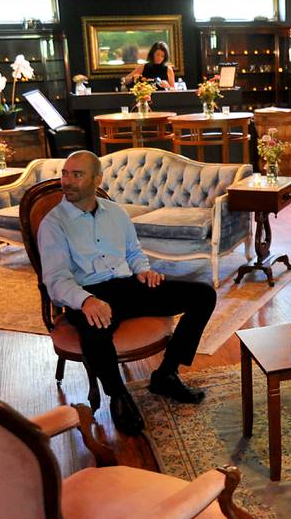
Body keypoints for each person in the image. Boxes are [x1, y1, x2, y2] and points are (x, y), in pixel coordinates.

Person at [38, 150, 216, 436]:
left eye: (77, 174)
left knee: (203, 295)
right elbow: (56, 280)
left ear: (97, 179)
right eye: (65, 173)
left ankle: (166, 374)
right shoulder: (54, 224)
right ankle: (117, 395)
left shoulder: (116, 213)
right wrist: (86, 300)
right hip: (86, 293)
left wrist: (143, 270)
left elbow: (133, 251)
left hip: (126, 285)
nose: (67, 181)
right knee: (95, 330)